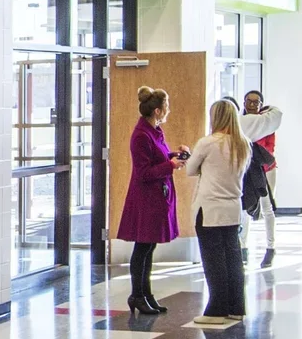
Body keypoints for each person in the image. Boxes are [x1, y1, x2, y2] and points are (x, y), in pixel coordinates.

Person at [117, 85, 186, 315]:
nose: (169, 110)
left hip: (158, 196)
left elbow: (159, 156)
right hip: (146, 198)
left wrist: (173, 156)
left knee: (150, 246)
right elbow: (144, 172)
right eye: (166, 106)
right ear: (157, 110)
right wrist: (170, 166)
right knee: (143, 246)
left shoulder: (155, 131)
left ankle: (146, 294)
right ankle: (137, 295)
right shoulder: (140, 135)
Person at [185, 98, 251, 324]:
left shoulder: (208, 143)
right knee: (233, 258)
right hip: (233, 207)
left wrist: (191, 156)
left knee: (213, 259)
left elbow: (190, 170)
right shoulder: (243, 144)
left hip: (210, 207)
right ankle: (236, 306)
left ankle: (216, 310)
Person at [239, 90, 282, 266]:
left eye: (256, 102)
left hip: (266, 169)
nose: (252, 105)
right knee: (245, 208)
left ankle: (270, 247)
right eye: (249, 101)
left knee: (267, 207)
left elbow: (269, 148)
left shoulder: (267, 123)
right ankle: (243, 247)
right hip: (246, 169)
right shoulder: (240, 122)